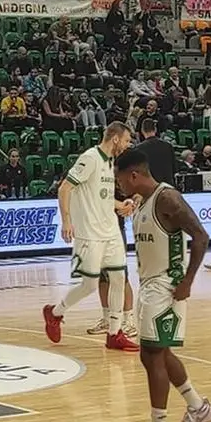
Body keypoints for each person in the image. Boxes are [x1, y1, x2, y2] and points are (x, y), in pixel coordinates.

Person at [113, 147, 211, 422]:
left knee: (151, 355)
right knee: (157, 351)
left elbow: (200, 236)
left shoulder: (167, 198)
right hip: (150, 283)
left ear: (134, 176)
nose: (119, 187)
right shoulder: (142, 201)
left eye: (120, 181)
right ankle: (198, 407)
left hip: (167, 285)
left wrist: (187, 281)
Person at [43, 122, 138, 352]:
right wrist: (66, 221)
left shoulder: (110, 163)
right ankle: (55, 313)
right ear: (115, 139)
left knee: (118, 279)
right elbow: (64, 188)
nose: (127, 146)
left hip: (111, 230)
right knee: (89, 285)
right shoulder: (90, 158)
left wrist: (120, 206)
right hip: (89, 233)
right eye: (126, 141)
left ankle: (114, 333)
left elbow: (101, 198)